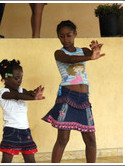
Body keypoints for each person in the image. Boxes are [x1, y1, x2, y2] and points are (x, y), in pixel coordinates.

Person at [42, 20, 105, 163]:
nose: (65, 39)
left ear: (75, 34)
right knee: (63, 139)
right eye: (62, 36)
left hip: (83, 99)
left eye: (69, 35)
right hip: (67, 97)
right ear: (58, 37)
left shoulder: (82, 50)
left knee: (91, 140)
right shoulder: (59, 53)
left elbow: (91, 52)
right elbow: (71, 59)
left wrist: (94, 50)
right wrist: (90, 56)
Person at [0, 59, 45, 163]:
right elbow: (16, 96)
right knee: (6, 161)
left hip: (25, 130)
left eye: (21, 78)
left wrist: (34, 92)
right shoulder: (2, 92)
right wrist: (33, 97)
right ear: (5, 78)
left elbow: (27, 93)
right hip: (11, 130)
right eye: (16, 78)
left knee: (31, 160)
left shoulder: (21, 90)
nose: (19, 81)